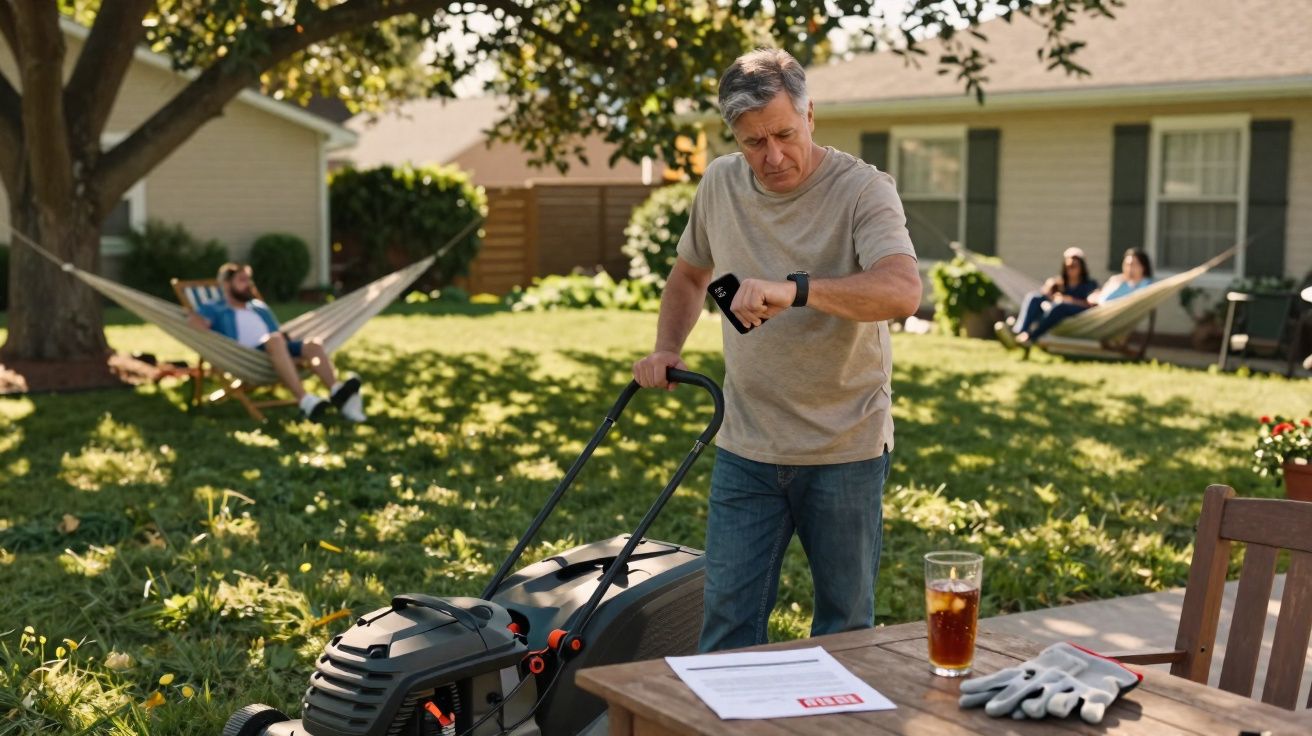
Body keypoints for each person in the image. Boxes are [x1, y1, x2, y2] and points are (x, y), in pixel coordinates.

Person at [631, 48, 921, 652]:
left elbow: (902, 290)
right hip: (748, 446)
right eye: (753, 142)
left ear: (811, 115)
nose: (773, 157)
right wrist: (666, 347)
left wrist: (797, 291)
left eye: (785, 134)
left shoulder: (863, 190)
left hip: (845, 446)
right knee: (727, 628)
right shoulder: (720, 183)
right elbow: (689, 275)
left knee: (845, 634)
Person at [188, 262, 365, 422]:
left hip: (277, 349)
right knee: (274, 340)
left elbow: (278, 332)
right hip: (246, 356)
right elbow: (195, 325)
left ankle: (337, 391)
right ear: (226, 284)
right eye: (242, 280)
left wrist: (291, 356)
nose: (248, 285)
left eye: (249, 280)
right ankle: (304, 400)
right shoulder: (214, 308)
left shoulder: (258, 307)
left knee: (313, 344)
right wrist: (205, 324)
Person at [996, 247, 1097, 349]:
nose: (1070, 270)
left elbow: (1091, 304)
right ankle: (1019, 331)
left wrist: (1069, 300)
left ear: (1082, 267)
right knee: (1034, 298)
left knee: (1060, 306)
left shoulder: (1090, 285)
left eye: (1073, 266)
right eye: (1067, 267)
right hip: (1052, 312)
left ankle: (1029, 337)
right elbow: (1046, 295)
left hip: (1076, 316)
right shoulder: (1059, 283)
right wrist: (1048, 289)